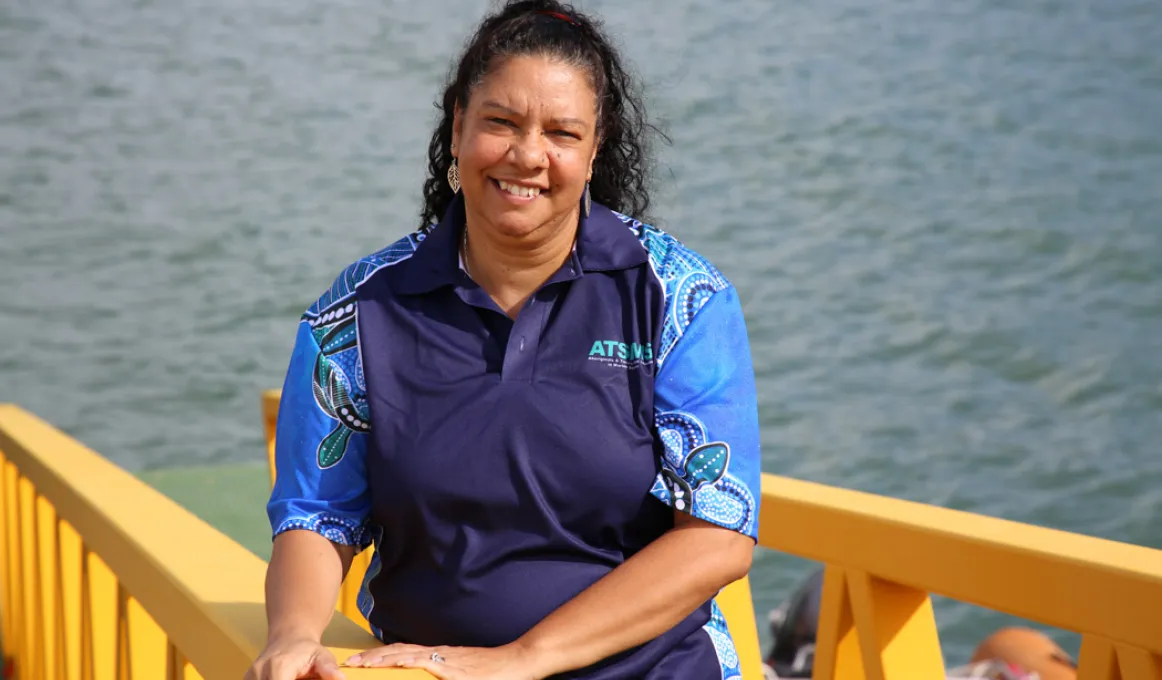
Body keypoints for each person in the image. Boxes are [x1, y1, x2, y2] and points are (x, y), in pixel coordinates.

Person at [247, 1, 762, 678]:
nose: (527, 155)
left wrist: (520, 660)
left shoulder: (676, 297)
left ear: (596, 147)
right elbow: (317, 515)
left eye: (562, 132)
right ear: (458, 123)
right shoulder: (358, 312)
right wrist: (291, 635)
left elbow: (718, 536)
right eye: (501, 122)